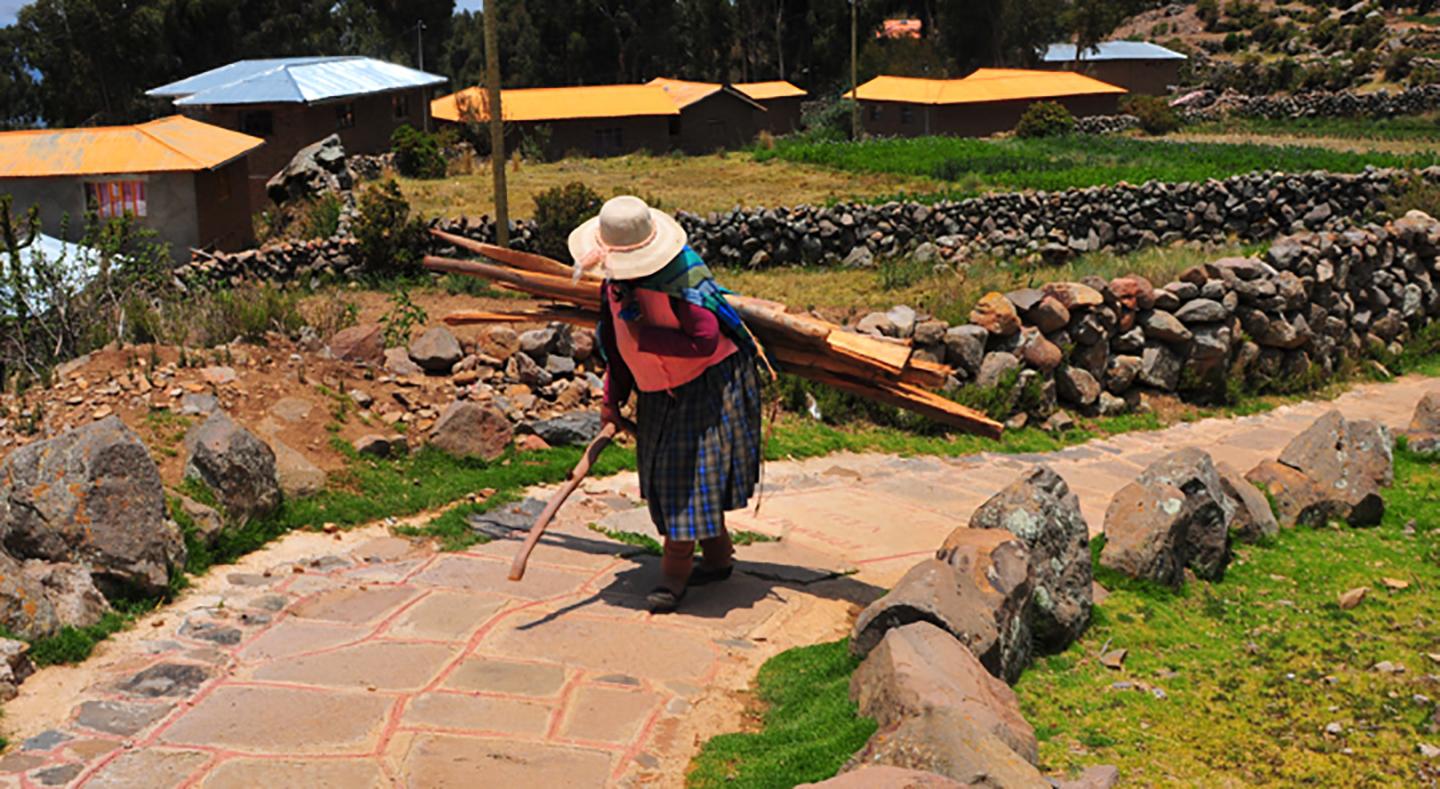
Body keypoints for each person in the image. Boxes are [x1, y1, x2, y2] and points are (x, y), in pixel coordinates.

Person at [571, 196, 764, 614]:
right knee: (673, 476)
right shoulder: (616, 287)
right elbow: (617, 347)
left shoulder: (685, 279)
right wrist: (611, 401)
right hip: (659, 389)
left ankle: (674, 575)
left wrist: (643, 336)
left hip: (710, 385)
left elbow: (704, 340)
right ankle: (717, 558)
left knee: (687, 482)